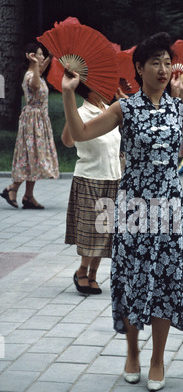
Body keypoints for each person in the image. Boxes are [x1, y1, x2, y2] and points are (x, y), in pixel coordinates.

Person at [61, 32, 183, 392]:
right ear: (139, 67)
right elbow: (80, 133)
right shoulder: (125, 108)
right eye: (156, 62)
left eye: (168, 62)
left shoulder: (178, 108)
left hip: (169, 209)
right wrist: (70, 93)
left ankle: (157, 359)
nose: (164, 69)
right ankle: (133, 351)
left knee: (166, 281)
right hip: (132, 207)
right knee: (133, 278)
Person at [61, 82, 123, 295]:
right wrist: (71, 111)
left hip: (113, 178)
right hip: (90, 178)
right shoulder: (81, 112)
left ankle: (94, 274)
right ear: (90, 88)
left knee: (106, 232)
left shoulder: (110, 110)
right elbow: (67, 141)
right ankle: (82, 271)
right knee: (92, 232)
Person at [0, 43, 59, 210]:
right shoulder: (30, 75)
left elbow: (42, 69)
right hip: (32, 122)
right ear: (31, 56)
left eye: (42, 55)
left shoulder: (37, 73)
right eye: (39, 54)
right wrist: (34, 63)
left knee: (35, 157)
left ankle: (27, 195)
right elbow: (35, 87)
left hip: (39, 120)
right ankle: (14, 189)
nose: (41, 57)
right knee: (31, 156)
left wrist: (51, 56)